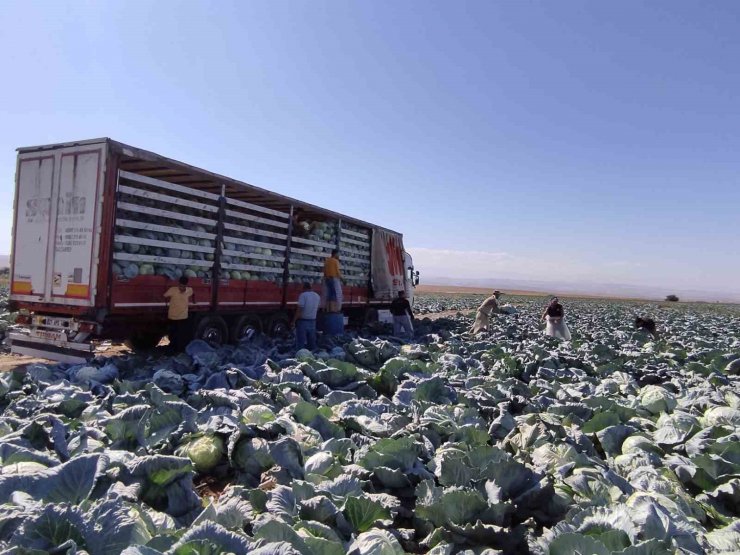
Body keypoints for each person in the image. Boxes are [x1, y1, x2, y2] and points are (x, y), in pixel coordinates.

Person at [164, 276, 194, 352]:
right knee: (175, 335)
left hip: (178, 317)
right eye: (181, 286)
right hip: (176, 317)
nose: (181, 287)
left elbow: (165, 295)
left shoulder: (173, 290)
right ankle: (175, 349)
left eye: (183, 286)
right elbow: (192, 292)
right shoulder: (188, 290)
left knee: (177, 335)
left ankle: (176, 350)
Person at [293, 282, 321, 350]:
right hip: (313, 322)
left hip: (303, 322)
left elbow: (299, 310)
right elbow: (318, 308)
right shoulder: (317, 296)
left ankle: (299, 357)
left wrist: (293, 321)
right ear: (311, 288)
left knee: (300, 342)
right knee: (312, 343)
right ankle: (312, 356)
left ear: (304, 288)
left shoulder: (303, 295)